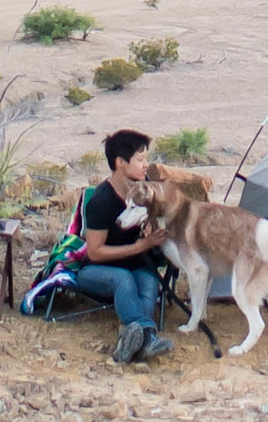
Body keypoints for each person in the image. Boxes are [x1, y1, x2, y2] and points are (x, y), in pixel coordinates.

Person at [21, 123, 169, 361]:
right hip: (95, 270)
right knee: (124, 279)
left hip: (135, 264)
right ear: (121, 162)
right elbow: (96, 252)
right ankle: (148, 337)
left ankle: (133, 341)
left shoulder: (144, 189)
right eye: (140, 160)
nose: (146, 166)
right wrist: (141, 246)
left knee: (148, 282)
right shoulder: (101, 201)